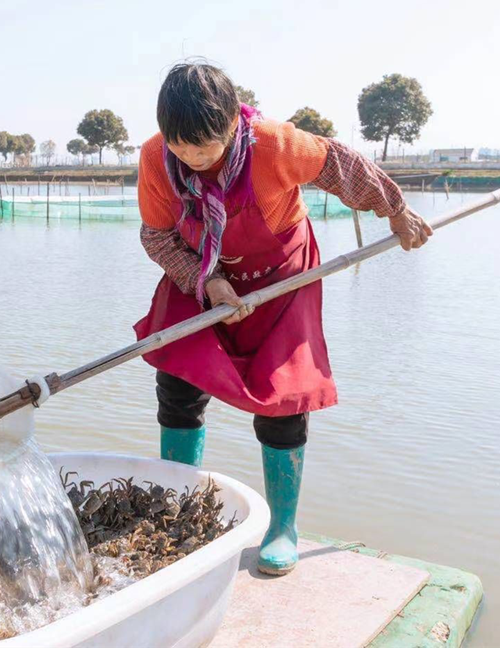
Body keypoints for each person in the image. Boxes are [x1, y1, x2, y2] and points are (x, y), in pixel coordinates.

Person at [134, 62, 432, 576]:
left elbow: (343, 168)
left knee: (283, 399)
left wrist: (396, 210)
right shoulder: (155, 159)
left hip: (280, 278)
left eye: (206, 147)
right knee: (178, 382)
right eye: (182, 147)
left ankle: (282, 528)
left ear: (233, 124)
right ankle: (175, 514)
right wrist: (204, 282)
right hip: (200, 270)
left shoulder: (274, 146)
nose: (194, 159)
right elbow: (157, 236)